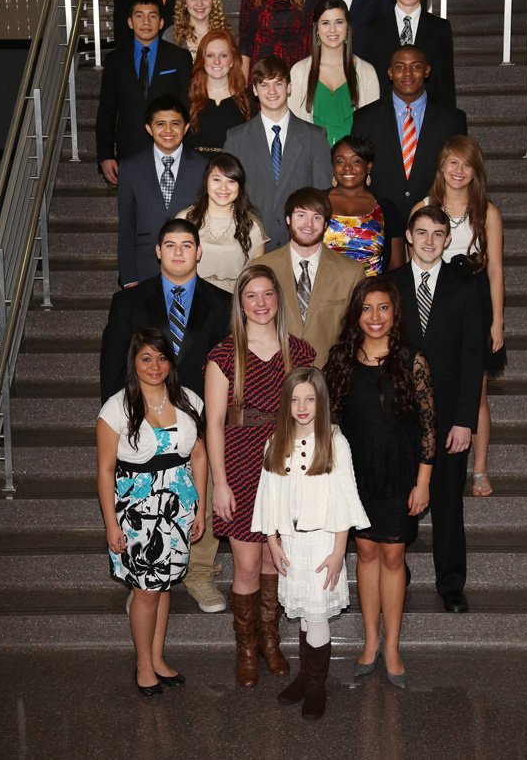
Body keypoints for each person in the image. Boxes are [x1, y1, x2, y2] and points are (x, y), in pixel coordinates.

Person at [100, 219, 231, 615]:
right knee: (143, 497)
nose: (178, 252)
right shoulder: (128, 302)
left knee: (198, 493)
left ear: (198, 251)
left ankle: (200, 573)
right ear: (157, 251)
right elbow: (112, 366)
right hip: (144, 416)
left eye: (186, 244)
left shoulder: (222, 302)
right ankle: (142, 578)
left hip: (198, 416)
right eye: (170, 244)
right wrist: (120, 421)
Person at [205, 266, 315, 688]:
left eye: (268, 294)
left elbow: (311, 416)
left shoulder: (300, 352)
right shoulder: (224, 354)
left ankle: (272, 641)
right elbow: (214, 423)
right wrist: (221, 482)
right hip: (240, 462)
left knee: (276, 560)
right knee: (248, 563)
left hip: (286, 466)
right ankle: (247, 649)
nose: (261, 303)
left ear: (277, 300)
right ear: (241, 303)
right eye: (251, 295)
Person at [324, 278, 436, 688]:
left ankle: (393, 649)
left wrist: (423, 482)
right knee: (366, 556)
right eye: (367, 308)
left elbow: (429, 427)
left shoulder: (412, 360)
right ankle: (370, 643)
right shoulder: (339, 360)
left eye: (383, 308)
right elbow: (328, 425)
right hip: (356, 477)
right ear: (357, 313)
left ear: (395, 313)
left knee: (393, 558)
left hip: (401, 474)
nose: (375, 317)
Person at [252, 367, 369, 720]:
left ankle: (317, 687)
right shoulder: (275, 443)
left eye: (310, 399)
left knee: (317, 616)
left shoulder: (335, 442)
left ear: (321, 402)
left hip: (322, 544)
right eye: (294, 399)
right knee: (303, 613)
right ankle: (306, 678)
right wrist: (272, 543)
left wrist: (338, 552)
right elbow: (268, 496)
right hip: (290, 542)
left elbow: (345, 499)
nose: (302, 407)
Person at [96, 328, 206, 696]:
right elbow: (105, 470)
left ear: (170, 362)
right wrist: (111, 524)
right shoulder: (116, 408)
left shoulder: (190, 400)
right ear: (134, 363)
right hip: (137, 511)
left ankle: (158, 658)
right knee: (145, 591)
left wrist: (200, 507)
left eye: (161, 358)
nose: (154, 365)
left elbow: (200, 456)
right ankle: (144, 664)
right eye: (146, 358)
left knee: (165, 585)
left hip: (178, 507)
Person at [389, 206, 484, 614]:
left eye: (438, 234)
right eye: (422, 232)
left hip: (448, 419)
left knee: (447, 501)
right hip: (398, 417)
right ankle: (398, 576)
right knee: (397, 500)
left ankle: (451, 585)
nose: (429, 240)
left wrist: (465, 420)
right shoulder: (388, 286)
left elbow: (473, 358)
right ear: (408, 236)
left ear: (448, 240)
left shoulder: (465, 287)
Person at [413, 136, 506, 497]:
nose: (458, 171)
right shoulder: (422, 207)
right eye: (452, 162)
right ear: (441, 166)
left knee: (476, 392)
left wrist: (496, 321)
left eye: (466, 165)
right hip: (432, 307)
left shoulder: (488, 213)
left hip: (475, 307)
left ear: (475, 171)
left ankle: (479, 468)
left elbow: (496, 270)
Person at [224, 55, 332, 251]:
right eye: (264, 85)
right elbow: (227, 199)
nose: (272, 91)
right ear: (255, 90)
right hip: (250, 246)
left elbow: (322, 197)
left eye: (278, 84)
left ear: (289, 87)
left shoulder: (314, 137)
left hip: (300, 246)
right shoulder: (236, 138)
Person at [250, 187, 365, 367]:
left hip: (330, 379)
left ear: (326, 224)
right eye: (301, 215)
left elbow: (357, 333)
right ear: (288, 219)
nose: (308, 224)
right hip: (272, 378)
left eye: (317, 217)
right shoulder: (261, 268)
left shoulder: (351, 272)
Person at [352, 46, 467, 224]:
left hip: (434, 223)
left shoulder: (452, 120)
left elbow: (460, 170)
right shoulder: (364, 119)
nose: (407, 73)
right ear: (390, 73)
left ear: (427, 71)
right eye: (399, 67)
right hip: (380, 222)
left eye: (415, 66)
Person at [96, 0, 192, 184]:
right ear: (130, 22)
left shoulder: (179, 57)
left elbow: (187, 106)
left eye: (152, 16)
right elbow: (107, 110)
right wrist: (105, 155)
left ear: (161, 22)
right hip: (129, 152)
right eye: (139, 16)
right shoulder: (115, 60)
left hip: (171, 149)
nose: (146, 22)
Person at [117, 96, 206, 287]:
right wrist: (129, 277)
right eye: (160, 124)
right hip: (145, 268)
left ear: (186, 127)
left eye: (175, 124)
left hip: (193, 268)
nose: (168, 131)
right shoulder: (130, 168)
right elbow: (126, 227)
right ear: (149, 128)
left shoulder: (203, 167)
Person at [289, 0, 380, 146]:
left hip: (353, 165)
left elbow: (373, 128)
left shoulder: (367, 72)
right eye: (325, 23)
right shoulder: (299, 72)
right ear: (316, 29)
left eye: (339, 22)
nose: (332, 30)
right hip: (312, 165)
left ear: (347, 27)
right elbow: (293, 130)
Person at [368, 0, 456, 105]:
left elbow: (445, 81)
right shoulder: (374, 28)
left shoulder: (440, 28)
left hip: (429, 113)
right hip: (385, 113)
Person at [176, 152, 268, 293]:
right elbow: (173, 268)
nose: (223, 188)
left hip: (234, 302)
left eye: (231, 181)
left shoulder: (251, 226)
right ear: (206, 181)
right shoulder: (185, 219)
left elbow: (256, 277)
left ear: (240, 187)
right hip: (192, 299)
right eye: (217, 180)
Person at [325, 135, 406, 275]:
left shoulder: (387, 209)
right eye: (340, 161)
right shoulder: (315, 203)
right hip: (324, 292)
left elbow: (396, 264)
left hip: (371, 292)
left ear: (368, 166)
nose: (347, 168)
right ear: (333, 166)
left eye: (356, 161)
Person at [188, 30, 252, 158]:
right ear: (202, 60)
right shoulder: (188, 97)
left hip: (233, 172)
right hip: (195, 171)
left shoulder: (247, 99)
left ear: (232, 61)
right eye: (210, 55)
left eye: (223, 55)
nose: (217, 61)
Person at [162, 0, 230, 61]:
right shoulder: (170, 35)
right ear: (184, 2)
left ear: (213, 0)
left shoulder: (226, 33)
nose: (199, 3)